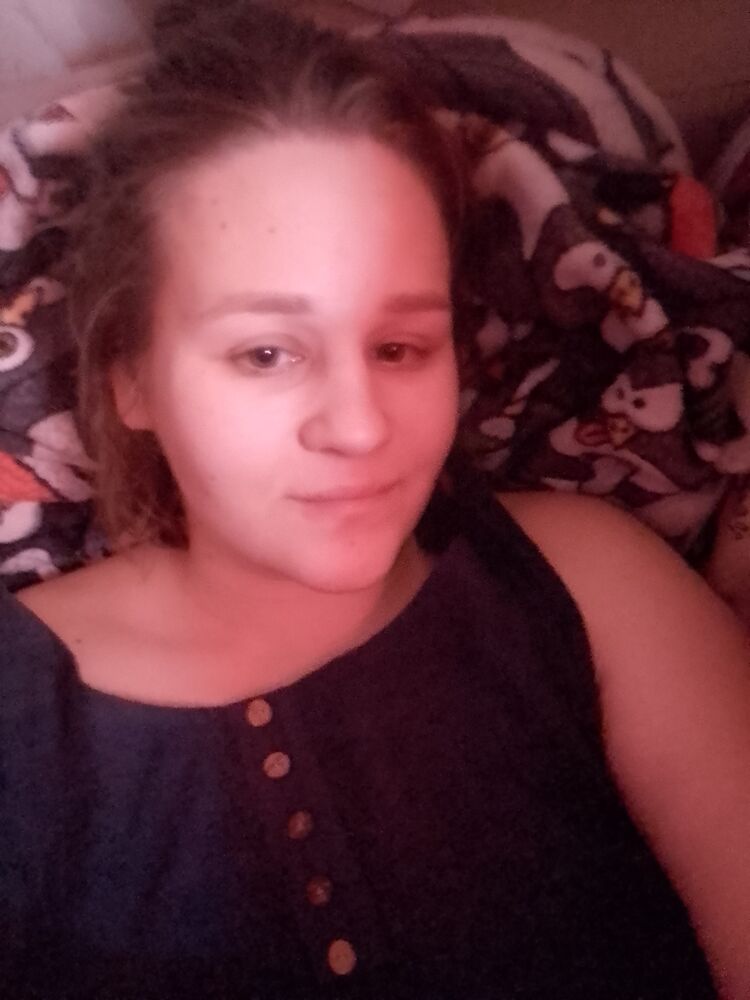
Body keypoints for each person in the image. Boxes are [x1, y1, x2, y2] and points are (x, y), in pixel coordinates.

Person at [1, 4, 749, 997]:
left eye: (400, 347)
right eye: (266, 353)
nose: (359, 428)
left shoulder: (592, 586)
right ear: (131, 379)